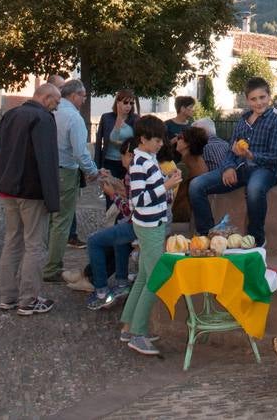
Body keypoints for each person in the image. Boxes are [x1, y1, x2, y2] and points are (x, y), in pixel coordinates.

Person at [0, 83, 62, 315]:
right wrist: (52, 198)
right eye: (56, 102)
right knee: (34, 245)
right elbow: (47, 160)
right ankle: (28, 300)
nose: (56, 107)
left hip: (8, 188)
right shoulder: (43, 119)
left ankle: (7, 297)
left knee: (12, 241)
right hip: (31, 190)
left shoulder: (11, 115)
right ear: (47, 97)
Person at [189, 77, 277, 248]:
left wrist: (250, 155)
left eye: (262, 97)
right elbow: (230, 150)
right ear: (247, 100)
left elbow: (275, 157)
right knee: (196, 185)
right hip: (239, 168)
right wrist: (228, 167)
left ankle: (256, 238)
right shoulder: (242, 122)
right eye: (253, 99)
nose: (259, 103)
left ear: (269, 97)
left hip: (265, 170)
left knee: (255, 188)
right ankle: (207, 234)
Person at [119, 115, 181, 356]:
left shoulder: (148, 158)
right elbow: (139, 199)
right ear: (143, 139)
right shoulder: (140, 162)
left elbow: (148, 191)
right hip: (149, 226)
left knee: (145, 277)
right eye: (156, 140)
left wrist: (167, 181)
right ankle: (139, 333)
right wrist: (166, 186)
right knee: (156, 278)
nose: (160, 144)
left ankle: (128, 326)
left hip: (151, 224)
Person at [43, 80, 102, 282]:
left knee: (49, 219)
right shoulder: (73, 118)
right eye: (83, 96)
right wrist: (92, 171)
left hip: (47, 170)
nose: (84, 100)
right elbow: (80, 153)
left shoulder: (51, 112)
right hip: (65, 172)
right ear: (74, 95)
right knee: (62, 222)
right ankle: (52, 268)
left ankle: (43, 261)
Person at [86, 137, 138, 311]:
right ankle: (122, 282)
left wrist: (112, 195)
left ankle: (101, 291)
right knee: (118, 236)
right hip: (149, 224)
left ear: (129, 155)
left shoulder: (133, 172)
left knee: (94, 241)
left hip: (139, 226)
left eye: (121, 156)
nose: (120, 160)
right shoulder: (149, 167)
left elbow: (128, 209)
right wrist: (113, 181)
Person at [94, 90, 137, 199]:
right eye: (125, 103)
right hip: (109, 162)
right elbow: (102, 141)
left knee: (126, 195)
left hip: (127, 163)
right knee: (110, 195)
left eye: (131, 103)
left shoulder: (135, 119)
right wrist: (97, 166)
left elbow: (135, 142)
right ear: (118, 103)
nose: (128, 106)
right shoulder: (107, 118)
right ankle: (110, 216)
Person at [170, 126, 209, 222]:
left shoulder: (184, 166)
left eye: (179, 137)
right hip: (194, 213)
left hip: (182, 214)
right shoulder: (199, 160)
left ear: (187, 143)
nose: (176, 140)